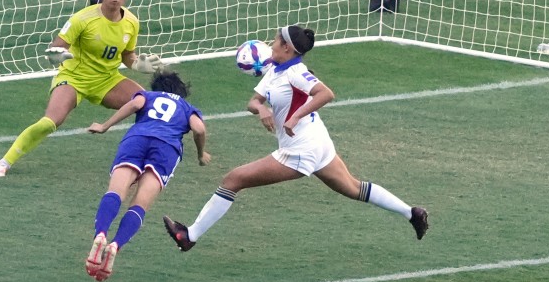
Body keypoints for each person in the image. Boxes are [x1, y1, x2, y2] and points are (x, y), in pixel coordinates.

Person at [163, 25, 428, 252]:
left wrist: (295, 117)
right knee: (353, 188)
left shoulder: (296, 72)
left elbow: (325, 93)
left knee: (234, 179)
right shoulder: (275, 70)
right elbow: (252, 102)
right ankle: (411, 213)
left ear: (287, 48)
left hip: (302, 149)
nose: (271, 44)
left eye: (276, 40)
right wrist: (262, 109)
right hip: (317, 143)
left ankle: (190, 236)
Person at [0, 0, 166, 177]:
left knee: (149, 105)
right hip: (74, 78)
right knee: (51, 121)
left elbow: (127, 55)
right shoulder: (82, 19)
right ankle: (4, 162)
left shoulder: (132, 22)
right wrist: (57, 56)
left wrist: (137, 65)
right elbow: (56, 48)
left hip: (107, 80)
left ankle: (146, 160)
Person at [84, 70, 210, 282]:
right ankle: (116, 245)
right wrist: (200, 154)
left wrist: (105, 126)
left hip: (137, 139)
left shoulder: (149, 96)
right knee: (140, 204)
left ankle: (101, 234)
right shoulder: (188, 108)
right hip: (166, 149)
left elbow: (135, 105)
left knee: (116, 191)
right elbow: (199, 129)